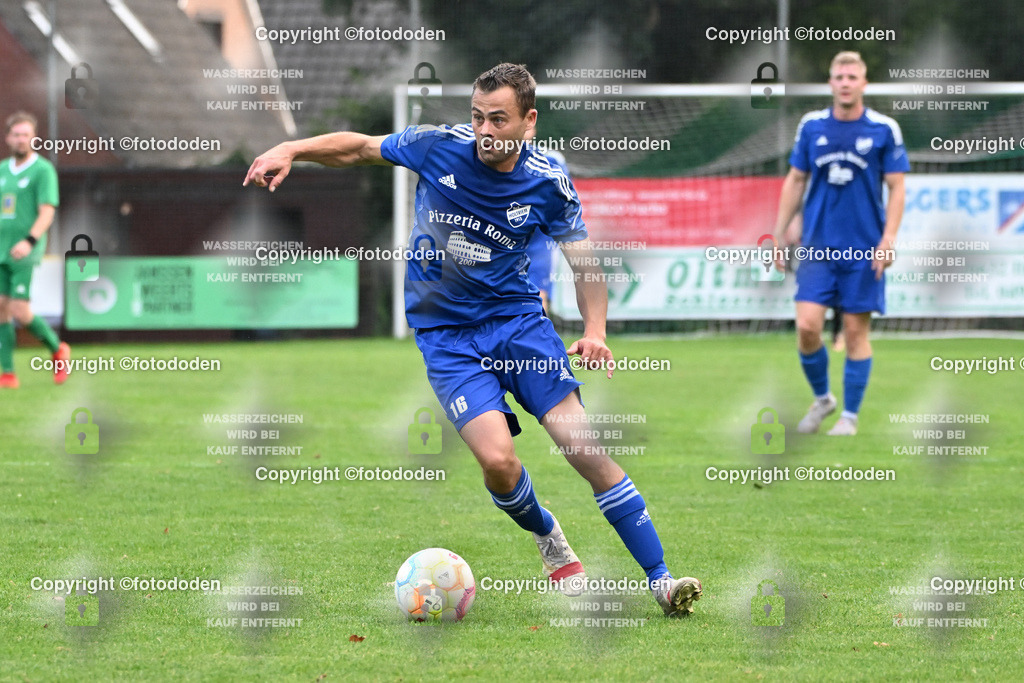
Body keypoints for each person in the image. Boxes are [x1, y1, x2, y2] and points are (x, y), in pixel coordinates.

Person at [244, 63, 701, 616]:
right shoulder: (436, 147)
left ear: (529, 122)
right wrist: (292, 149)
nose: (485, 130)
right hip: (448, 337)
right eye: (478, 117)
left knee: (585, 450)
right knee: (500, 464)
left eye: (499, 120)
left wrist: (596, 330)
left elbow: (584, 264)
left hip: (519, 327)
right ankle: (549, 537)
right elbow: (361, 147)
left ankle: (662, 581)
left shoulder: (548, 183)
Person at [773, 51, 908, 435]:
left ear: (864, 83)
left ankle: (849, 417)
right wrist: (777, 233)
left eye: (852, 76)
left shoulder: (884, 129)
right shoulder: (811, 127)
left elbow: (897, 187)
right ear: (830, 83)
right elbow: (796, 179)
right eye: (839, 76)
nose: (845, 82)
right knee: (807, 327)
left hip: (864, 250)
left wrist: (889, 239)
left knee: (854, 332)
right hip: (817, 248)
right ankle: (823, 399)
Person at [0, 111, 70, 388]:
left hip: (25, 251)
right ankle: (7, 373)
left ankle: (57, 349)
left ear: (34, 138)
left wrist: (28, 241)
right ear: (8, 138)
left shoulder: (43, 170)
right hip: (1, 249)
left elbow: (47, 212)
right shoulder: (3, 170)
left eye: (26, 135)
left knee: (19, 310)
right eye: (16, 134)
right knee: (1, 310)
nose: (21, 139)